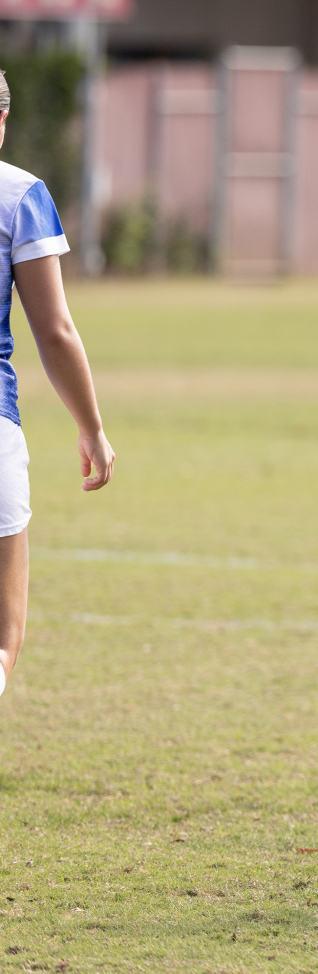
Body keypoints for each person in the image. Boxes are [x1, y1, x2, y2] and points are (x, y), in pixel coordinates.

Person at [0, 68, 117, 698]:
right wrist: (92, 428)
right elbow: (55, 331)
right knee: (3, 638)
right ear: (3, 120)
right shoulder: (19, 195)